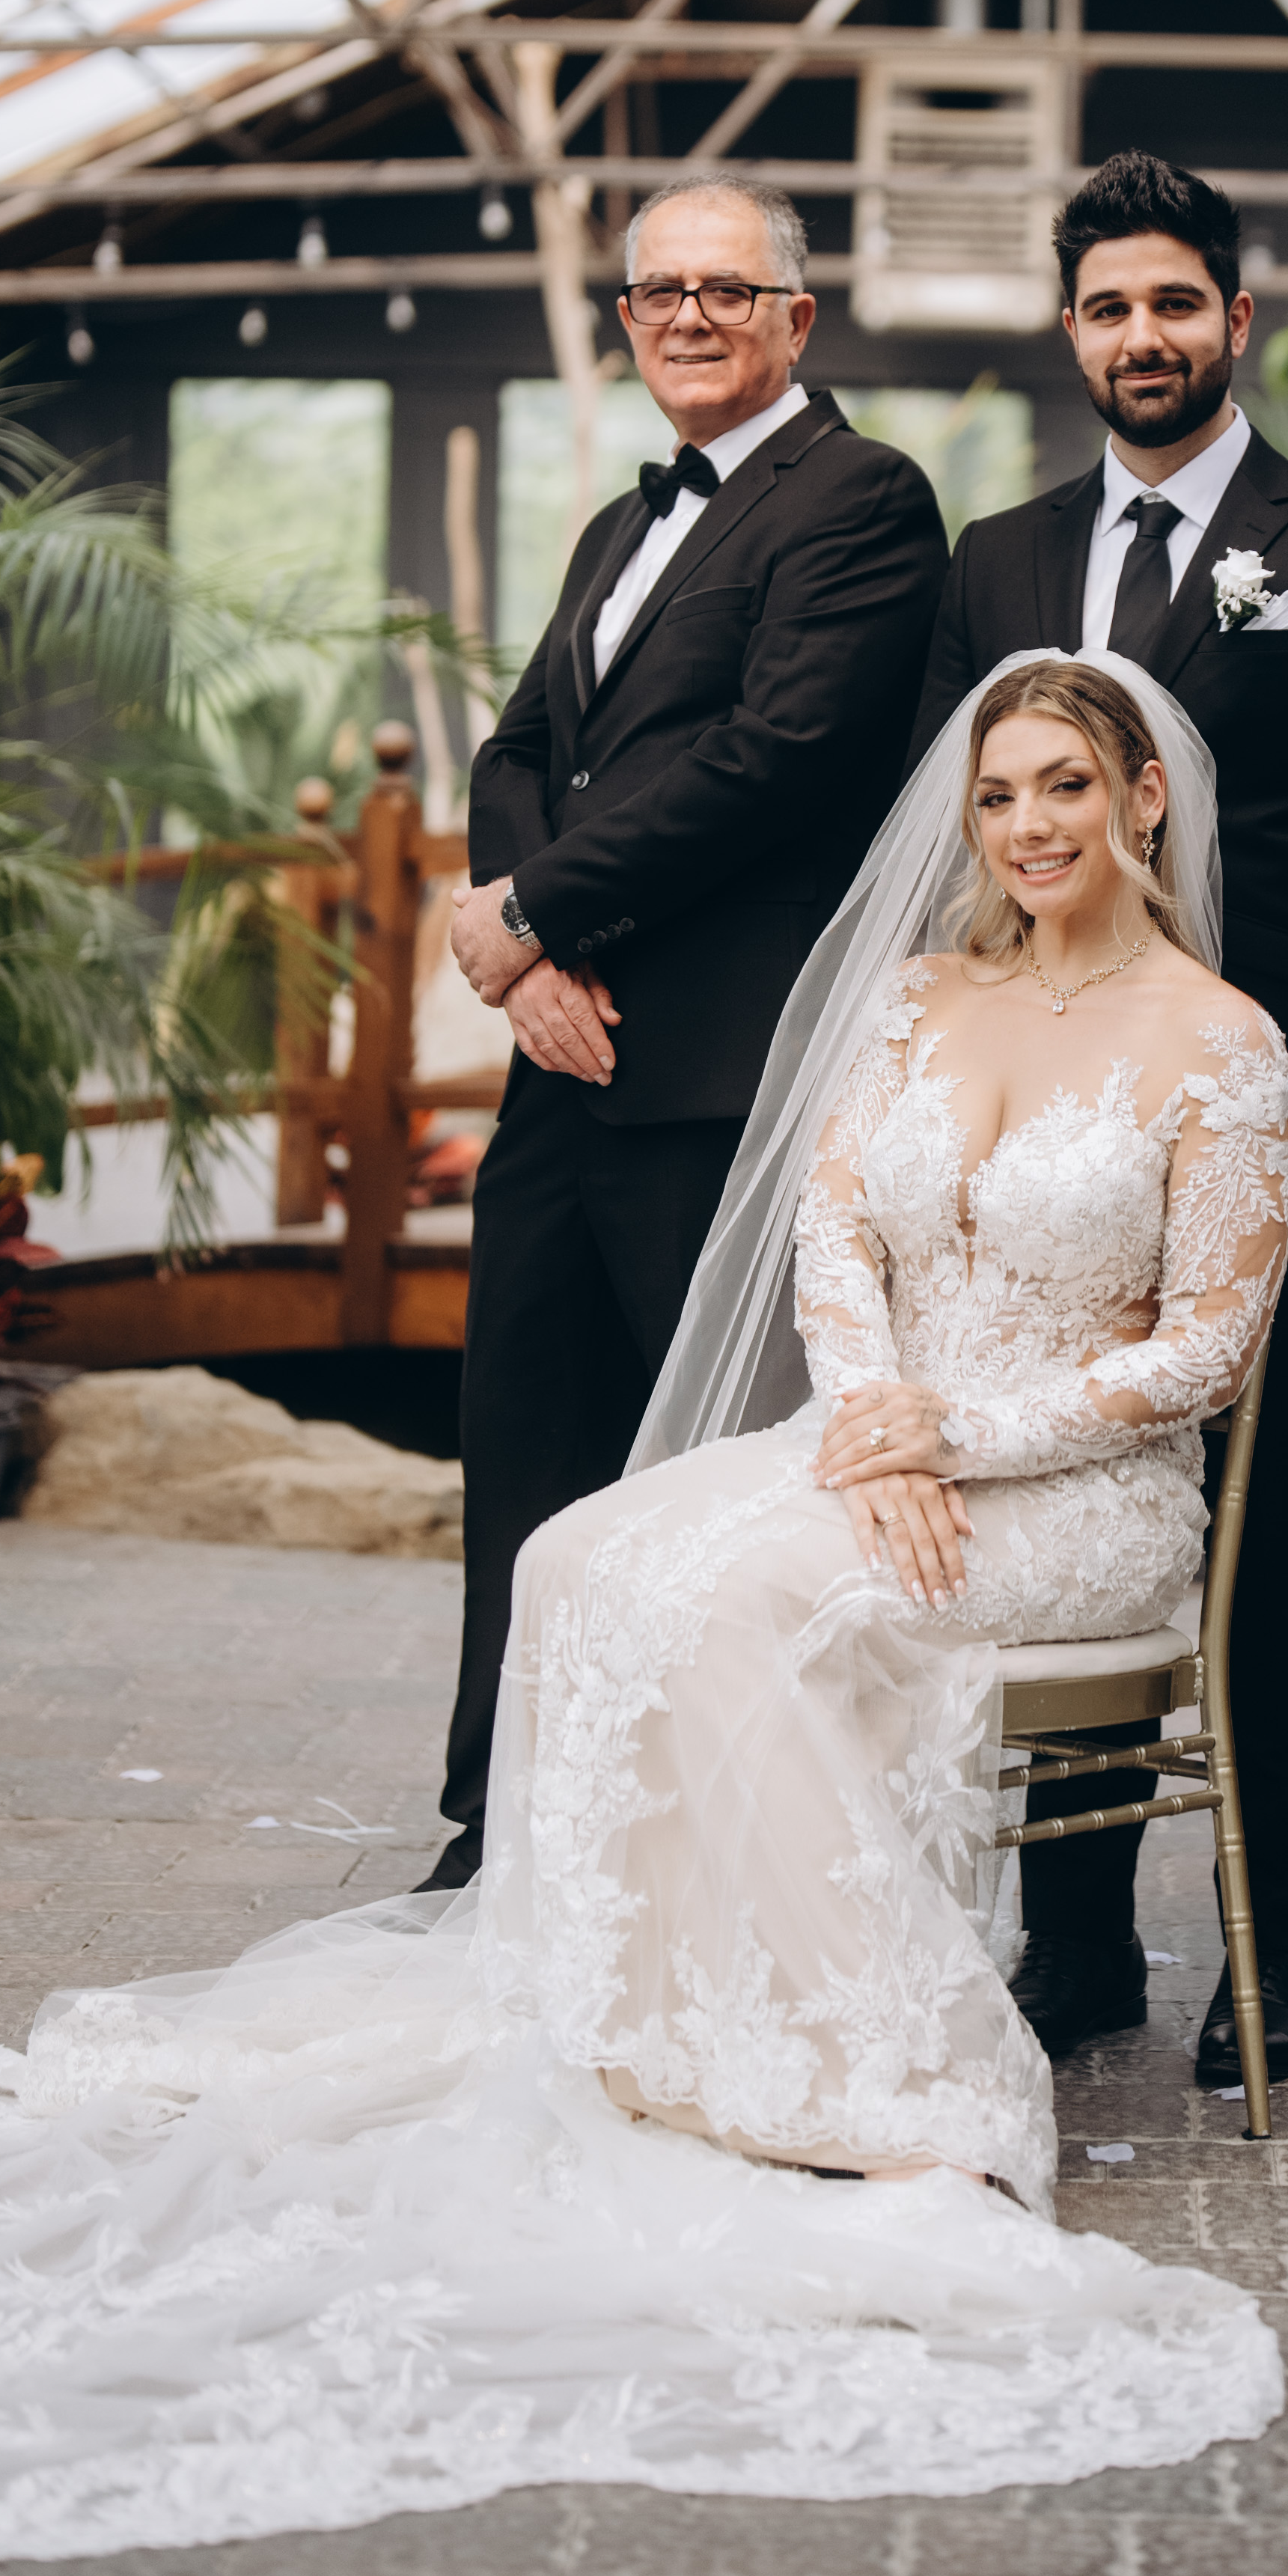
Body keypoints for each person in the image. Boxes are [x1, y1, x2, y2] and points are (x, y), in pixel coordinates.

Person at [0, 655, 1288, 2576]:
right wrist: (874, 1418)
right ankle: (656, 2024)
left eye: (1065, 788)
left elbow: (1209, 1349)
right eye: (998, 795)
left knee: (740, 1601)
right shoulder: (923, 995)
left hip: (1077, 1496)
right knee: (579, 1559)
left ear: (1143, 800)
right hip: (878, 1447)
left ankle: (881, 2079)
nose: (1027, 827)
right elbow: (836, 1236)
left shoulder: (1221, 1043)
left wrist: (967, 1432)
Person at [915, 149, 1288, 2092]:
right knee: (1070, 1508)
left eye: (1172, 303)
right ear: (1069, 331)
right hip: (1057, 1150)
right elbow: (960, 851)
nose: (1140, 336)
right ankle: (1079, 1943)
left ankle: (1270, 1951)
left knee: (1274, 1530)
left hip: (1265, 1138)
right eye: (1106, 308)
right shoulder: (995, 559)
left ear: (1237, 317)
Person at [426, 172, 947, 1888]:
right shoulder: (616, 525)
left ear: (799, 316)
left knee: (708, 1485)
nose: (690, 318)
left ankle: (706, 1843)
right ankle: (505, 1826)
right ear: (628, 317)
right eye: (660, 292)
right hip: (563, 1064)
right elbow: (522, 750)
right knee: (525, 1453)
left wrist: (531, 909)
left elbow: (775, 760)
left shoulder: (864, 498)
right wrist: (531, 961)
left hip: (723, 1075)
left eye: (728, 290)